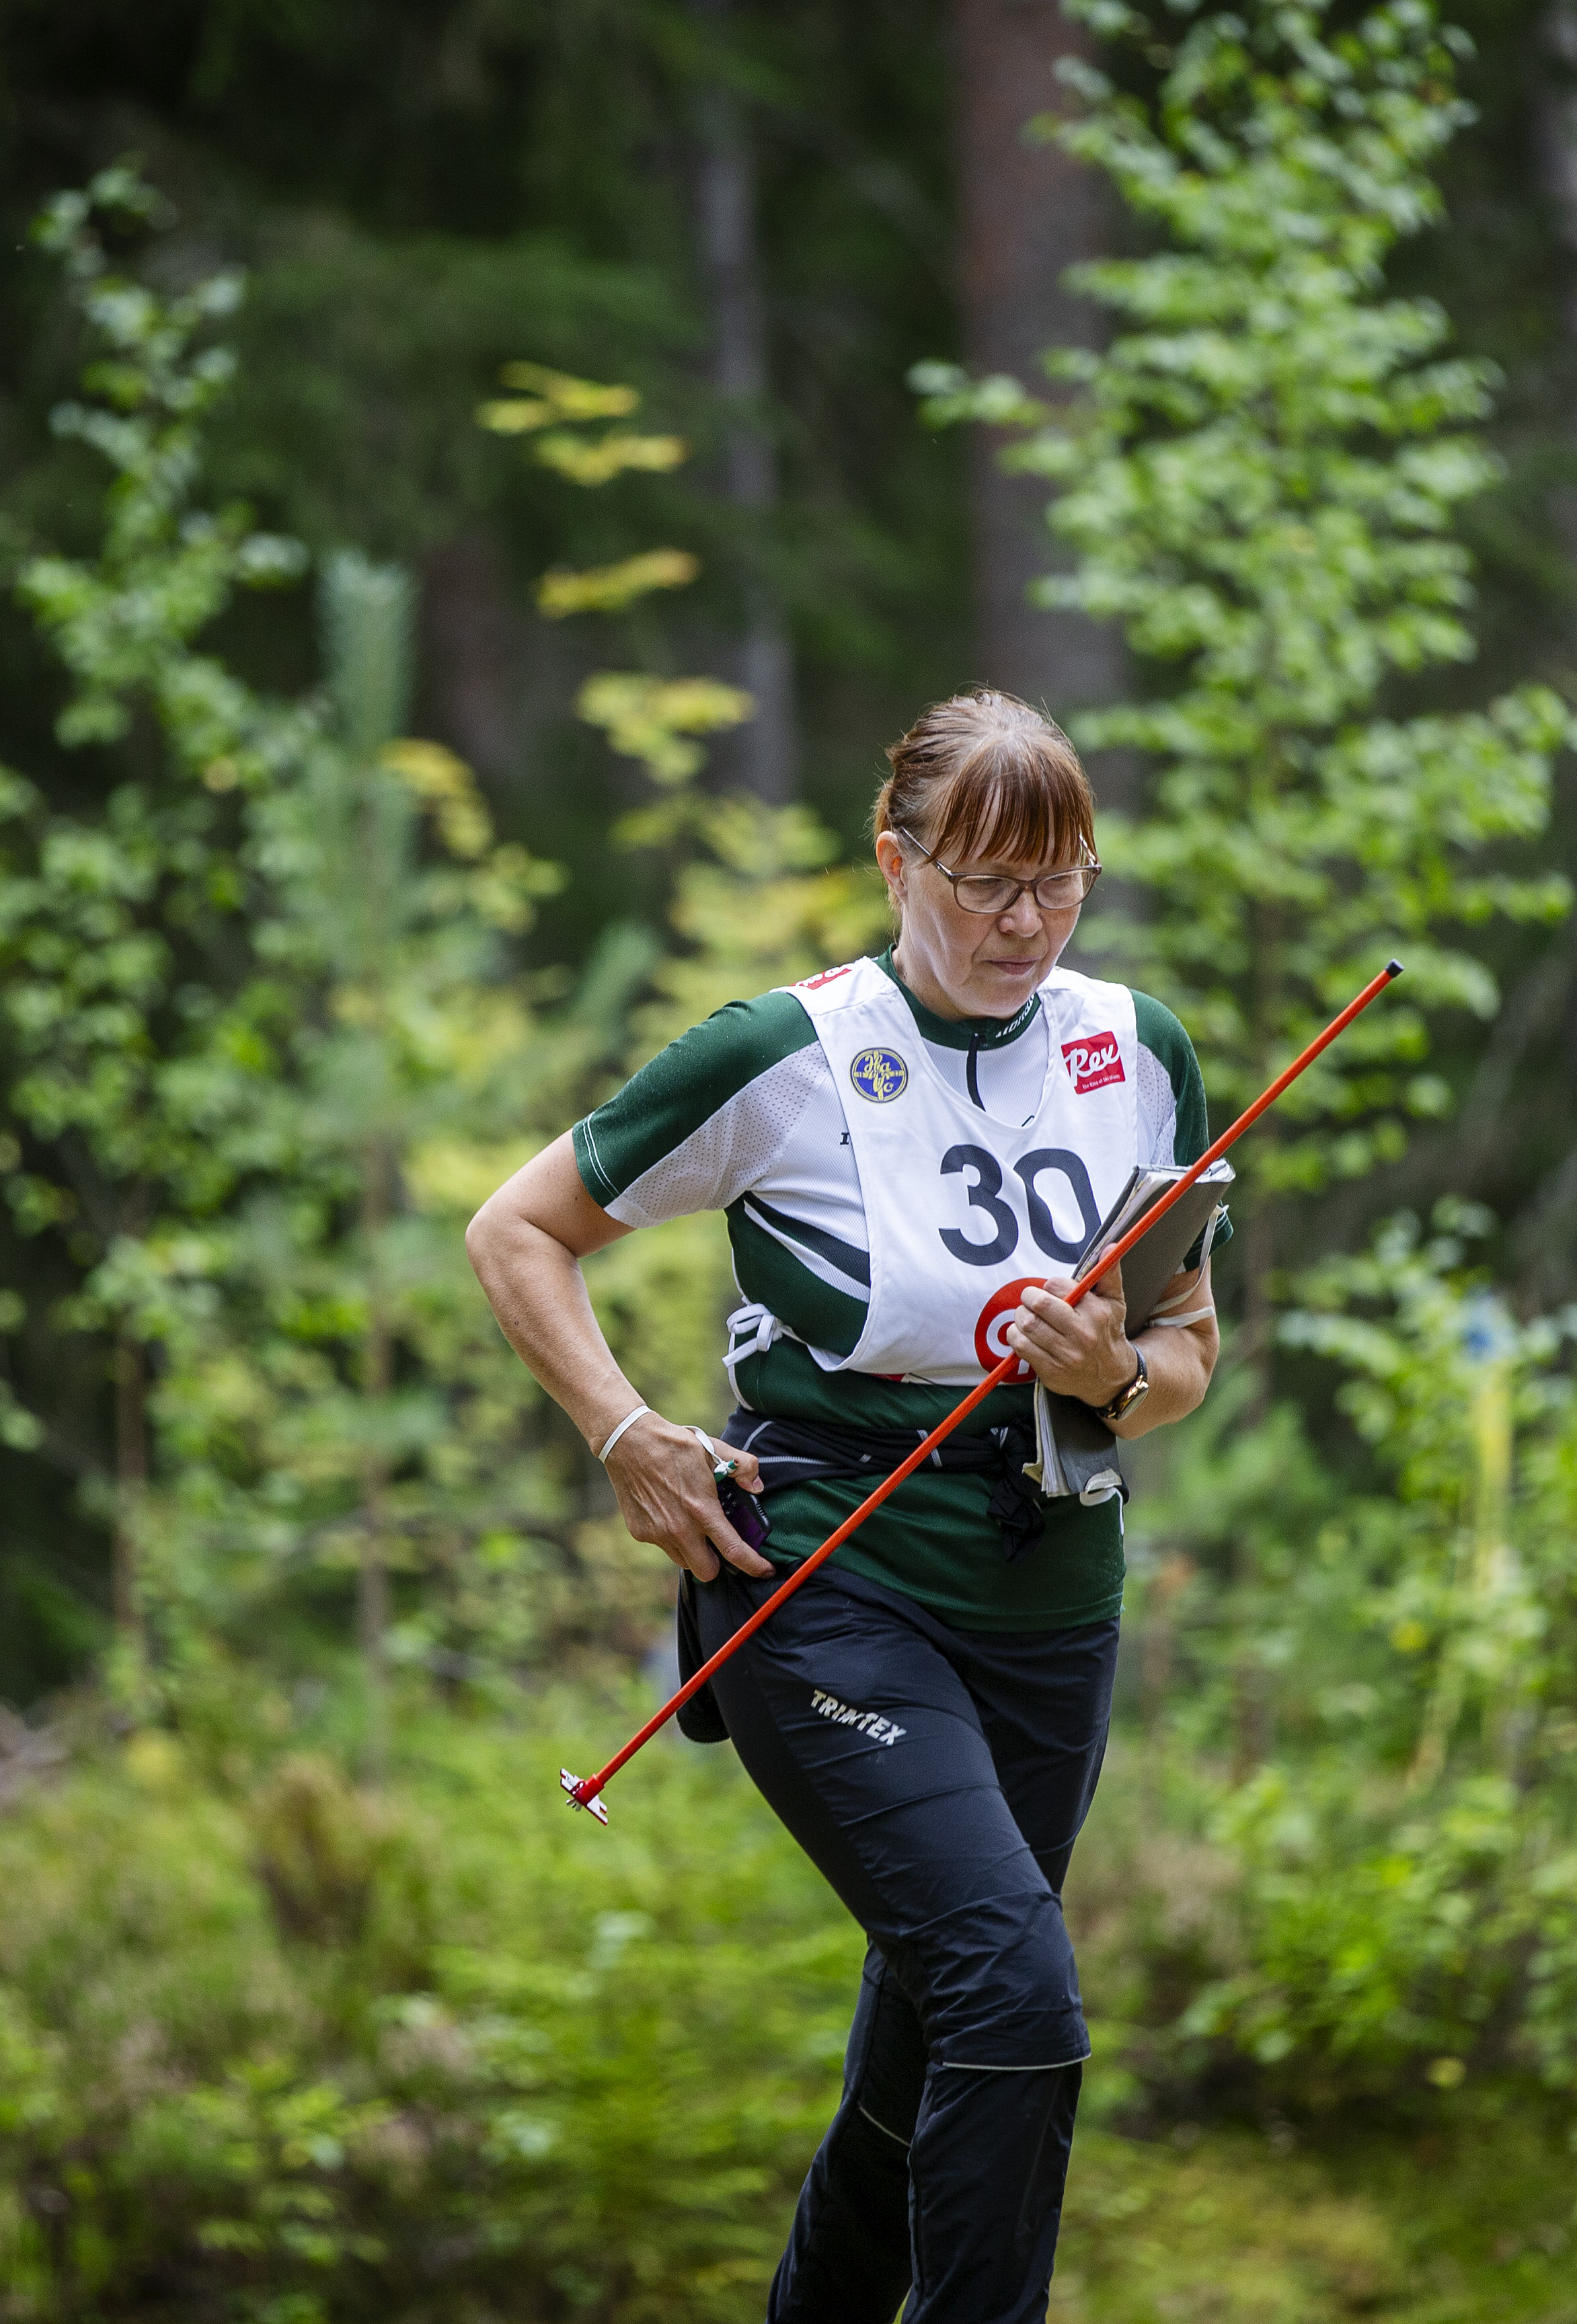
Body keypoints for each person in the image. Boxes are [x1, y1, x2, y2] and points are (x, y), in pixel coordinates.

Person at [465, 690, 1223, 2322]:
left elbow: (1190, 1356)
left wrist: (1107, 1374)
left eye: (1061, 879)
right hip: (821, 1579)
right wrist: (625, 1434)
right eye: (986, 882)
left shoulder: (1137, 1046)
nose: (1027, 922)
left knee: (927, 2060)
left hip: (1050, 1594)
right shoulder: (784, 1056)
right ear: (897, 861)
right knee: (1017, 2000)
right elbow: (515, 1231)